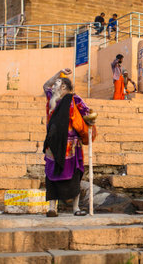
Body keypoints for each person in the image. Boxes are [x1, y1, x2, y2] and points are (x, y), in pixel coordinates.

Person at [42, 68, 97, 217]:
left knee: (74, 177)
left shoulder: (75, 100)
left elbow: (87, 114)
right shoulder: (51, 98)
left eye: (57, 83)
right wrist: (58, 73)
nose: (53, 86)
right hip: (52, 146)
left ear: (64, 87)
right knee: (51, 176)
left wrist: (91, 119)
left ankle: (76, 208)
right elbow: (45, 85)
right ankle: (52, 208)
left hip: (71, 147)